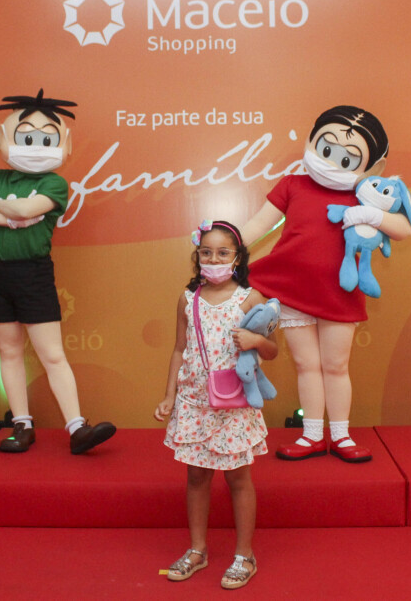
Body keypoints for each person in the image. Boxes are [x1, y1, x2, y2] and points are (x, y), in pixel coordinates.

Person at [240, 106, 411, 462]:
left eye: (347, 158)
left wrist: (372, 213)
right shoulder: (292, 184)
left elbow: (403, 229)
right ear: (311, 140)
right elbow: (258, 225)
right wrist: (223, 247)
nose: (333, 161)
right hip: (291, 291)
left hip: (339, 293)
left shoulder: (366, 193)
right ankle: (312, 436)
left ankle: (341, 436)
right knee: (306, 365)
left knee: (335, 366)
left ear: (373, 166)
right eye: (326, 148)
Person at [0, 90, 115, 454]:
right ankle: (22, 424)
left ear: (64, 144)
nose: (34, 145)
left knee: (52, 354)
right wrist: (10, 215)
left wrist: (2, 208)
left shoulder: (54, 183)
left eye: (45, 138)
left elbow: (27, 209)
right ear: (3, 139)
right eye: (25, 136)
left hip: (33, 274)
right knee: (9, 352)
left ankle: (77, 428)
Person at [154, 220, 277, 590]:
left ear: (238, 257)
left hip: (234, 403)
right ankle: (197, 550)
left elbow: (273, 350)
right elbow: (179, 349)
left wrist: (256, 341)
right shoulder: (187, 299)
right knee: (196, 476)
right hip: (194, 401)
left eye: (223, 253)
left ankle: (245, 555)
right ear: (198, 256)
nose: (214, 259)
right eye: (206, 252)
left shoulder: (250, 299)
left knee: (238, 477)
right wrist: (169, 396)